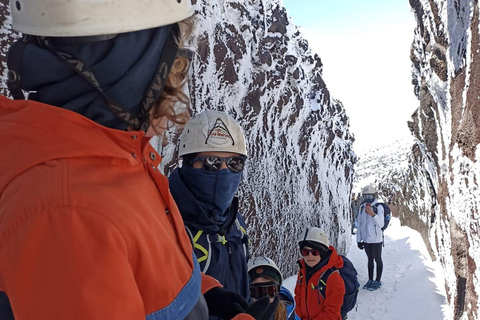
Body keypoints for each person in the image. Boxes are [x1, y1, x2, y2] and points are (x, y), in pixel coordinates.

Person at [0, 1, 277, 319]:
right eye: (173, 63)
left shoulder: (120, 164)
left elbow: (152, 269)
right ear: (128, 68)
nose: (176, 86)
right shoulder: (70, 212)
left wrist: (204, 293)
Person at [169, 110, 251, 307]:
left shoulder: (236, 224)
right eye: (211, 163)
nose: (224, 172)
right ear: (189, 163)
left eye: (234, 164)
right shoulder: (165, 222)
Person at [294, 227, 344, 320]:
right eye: (305, 252)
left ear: (322, 252)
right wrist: (297, 317)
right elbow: (298, 298)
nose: (310, 256)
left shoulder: (333, 278)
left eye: (314, 252)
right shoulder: (303, 272)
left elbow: (332, 313)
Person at [248, 256, 300, 320]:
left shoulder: (289, 316)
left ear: (277, 291)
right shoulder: (239, 315)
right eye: (258, 292)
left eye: (270, 290)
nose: (265, 299)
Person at [356, 185, 385, 291]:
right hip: (367, 239)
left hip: (376, 239)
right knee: (370, 260)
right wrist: (359, 240)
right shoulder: (361, 208)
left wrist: (373, 214)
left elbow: (381, 224)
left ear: (373, 195)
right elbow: (359, 225)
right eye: (365, 196)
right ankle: (370, 279)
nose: (367, 198)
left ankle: (378, 280)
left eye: (369, 195)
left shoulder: (378, 207)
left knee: (377, 259)